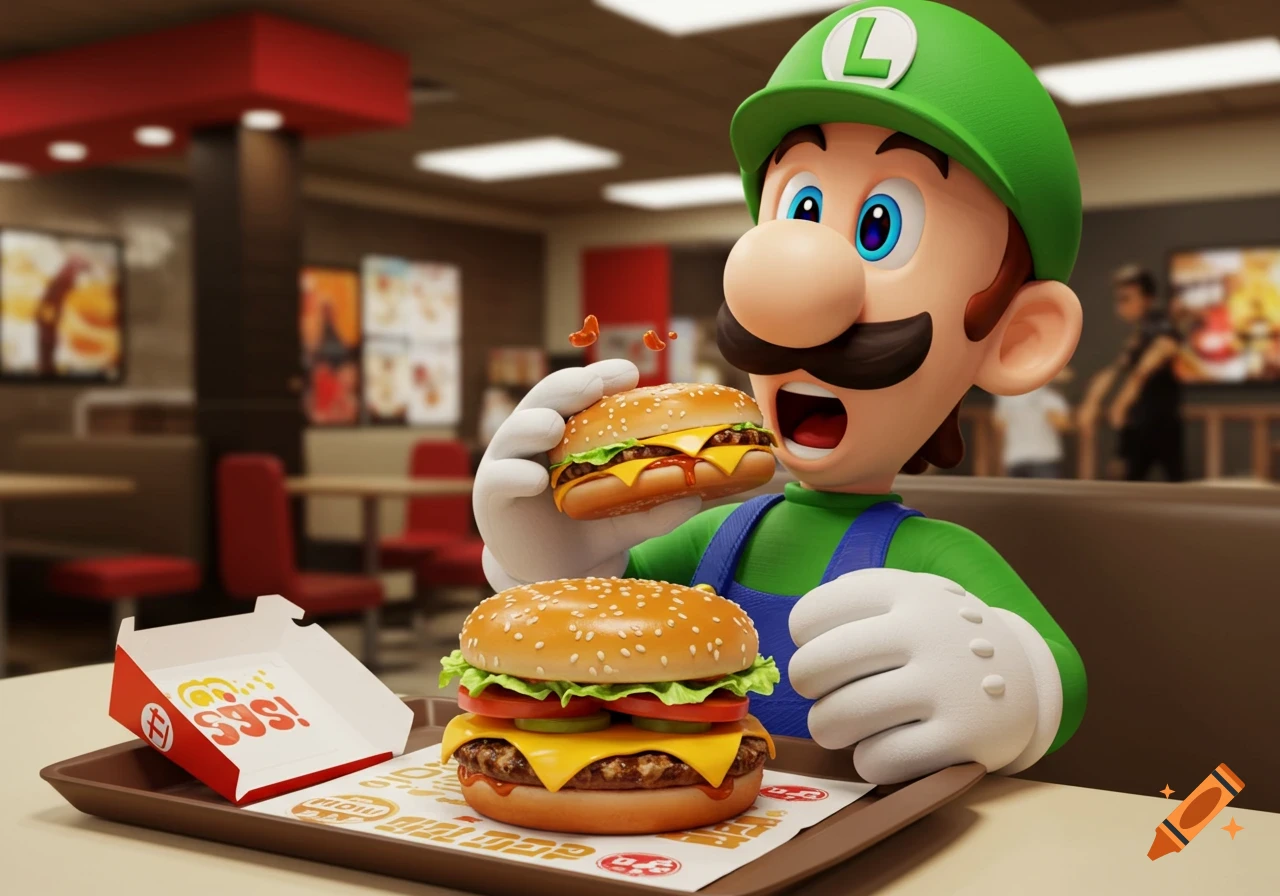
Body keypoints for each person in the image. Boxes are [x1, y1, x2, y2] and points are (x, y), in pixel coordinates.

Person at [474, 0, 1085, 786]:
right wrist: (548, 566)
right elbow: (605, 636)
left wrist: (1011, 685)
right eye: (799, 208)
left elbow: (1063, 677)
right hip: (692, 821)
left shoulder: (936, 557)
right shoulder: (716, 539)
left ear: (1018, 336)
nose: (794, 284)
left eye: (878, 227)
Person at [1079, 265, 1184, 481]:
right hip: (1137, 425)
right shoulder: (1139, 334)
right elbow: (1115, 370)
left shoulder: (1160, 324)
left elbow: (1160, 352)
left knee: (1173, 483)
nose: (1121, 306)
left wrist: (1125, 397)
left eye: (1127, 299)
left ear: (1148, 298)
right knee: (1124, 481)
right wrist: (1091, 402)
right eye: (1118, 299)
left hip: (1159, 424)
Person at [992, 371, 1073, 478]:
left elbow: (1000, 424)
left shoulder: (1006, 396)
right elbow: (1063, 424)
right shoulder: (1049, 396)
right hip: (1045, 457)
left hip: (1015, 457)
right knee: (1046, 494)